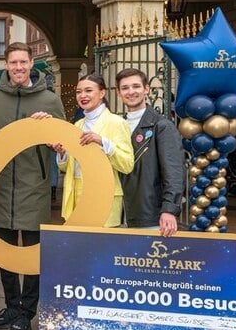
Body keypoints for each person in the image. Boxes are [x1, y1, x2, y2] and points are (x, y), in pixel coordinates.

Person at [0, 42, 65, 330]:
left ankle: (27, 312)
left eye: (23, 62)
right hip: (0, 188)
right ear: (6, 65)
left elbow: (63, 143)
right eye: (13, 62)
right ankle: (11, 307)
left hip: (34, 188)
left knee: (31, 255)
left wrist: (52, 135)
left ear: (32, 64)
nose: (18, 67)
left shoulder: (50, 101)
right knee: (3, 255)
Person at [55, 74, 134, 227]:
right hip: (76, 193)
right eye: (78, 92)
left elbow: (127, 165)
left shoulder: (117, 123)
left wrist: (103, 142)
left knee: (102, 246)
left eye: (88, 90)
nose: (82, 95)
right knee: (79, 245)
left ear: (102, 93)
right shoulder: (78, 124)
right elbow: (69, 167)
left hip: (104, 194)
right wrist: (62, 153)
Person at [115, 68, 183, 235]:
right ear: (118, 93)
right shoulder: (117, 125)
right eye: (125, 88)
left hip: (150, 215)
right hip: (119, 214)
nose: (131, 92)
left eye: (136, 86)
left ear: (146, 89)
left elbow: (173, 172)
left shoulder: (161, 126)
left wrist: (169, 209)